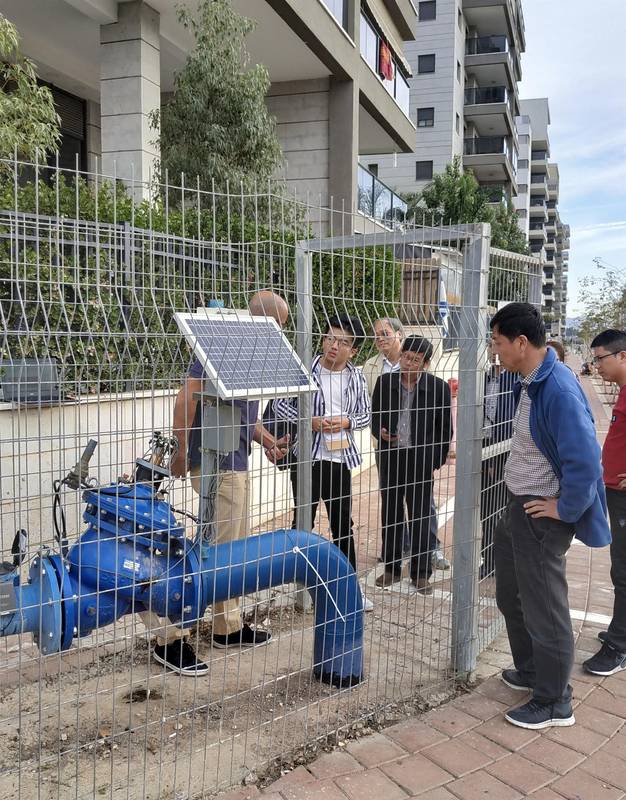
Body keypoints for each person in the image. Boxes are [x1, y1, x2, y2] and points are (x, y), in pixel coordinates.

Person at [140, 291, 291, 675]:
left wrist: (269, 441)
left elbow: (243, 415)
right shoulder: (222, 345)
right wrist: (180, 451)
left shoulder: (255, 354)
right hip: (215, 465)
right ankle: (171, 639)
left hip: (236, 464)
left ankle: (228, 626)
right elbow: (186, 398)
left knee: (232, 552)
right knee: (211, 554)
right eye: (281, 325)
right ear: (267, 321)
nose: (282, 333)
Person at [490, 302, 610, 730]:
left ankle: (555, 701)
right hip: (518, 505)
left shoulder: (556, 388)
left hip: (542, 516)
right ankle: (533, 672)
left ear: (521, 342)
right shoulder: (530, 380)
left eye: (499, 341)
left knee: (545, 607)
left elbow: (586, 462)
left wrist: (563, 508)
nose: (495, 349)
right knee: (512, 595)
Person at [274, 314, 373, 610]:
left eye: (342, 342)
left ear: (353, 350)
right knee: (302, 521)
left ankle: (349, 588)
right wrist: (310, 421)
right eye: (330, 338)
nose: (334, 345)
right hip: (307, 457)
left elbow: (366, 415)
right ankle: (300, 588)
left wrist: (345, 421)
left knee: (343, 525)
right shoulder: (305, 369)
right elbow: (280, 406)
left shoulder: (355, 376)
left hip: (339, 458)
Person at [364, 318, 450, 571]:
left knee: (421, 513)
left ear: (425, 364)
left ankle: (421, 567)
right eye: (406, 358)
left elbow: (445, 429)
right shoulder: (384, 381)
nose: (408, 363)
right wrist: (380, 433)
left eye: (415, 360)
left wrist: (435, 460)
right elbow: (375, 417)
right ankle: (391, 564)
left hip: (419, 460)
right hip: (390, 456)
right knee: (391, 511)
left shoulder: (437, 388)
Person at [583, 329, 626, 675]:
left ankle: (619, 645)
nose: (595, 365)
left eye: (600, 358)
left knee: (624, 570)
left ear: (622, 355)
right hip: (616, 491)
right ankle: (619, 630)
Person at [479, 351, 516, 579]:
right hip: (483, 450)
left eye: (500, 344)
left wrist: (495, 457)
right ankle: (490, 560)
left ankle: (505, 560)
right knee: (488, 511)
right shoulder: (482, 378)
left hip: (506, 449)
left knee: (505, 509)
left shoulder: (516, 380)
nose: (495, 351)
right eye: (491, 344)